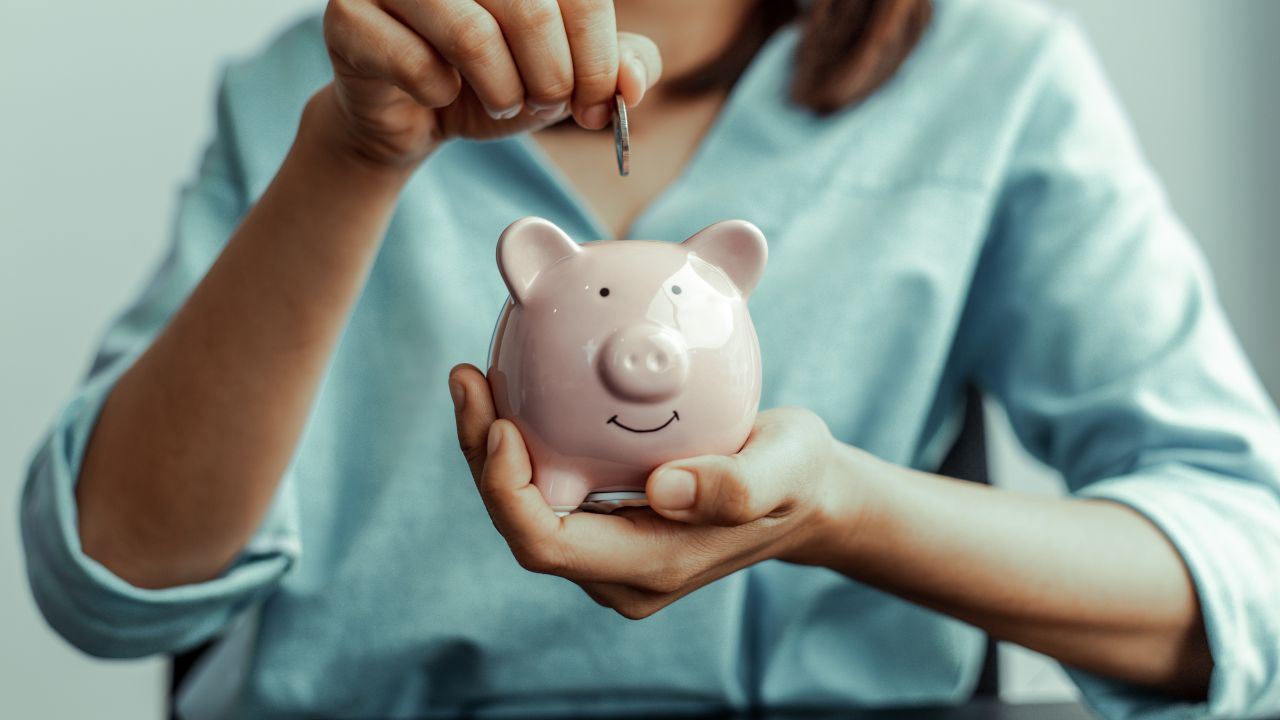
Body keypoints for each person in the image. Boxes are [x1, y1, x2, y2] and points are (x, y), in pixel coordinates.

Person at [19, 0, 1280, 717]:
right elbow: (110, 579)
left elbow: (1246, 570)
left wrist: (843, 508)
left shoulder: (990, 80)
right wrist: (352, 158)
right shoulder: (317, 93)